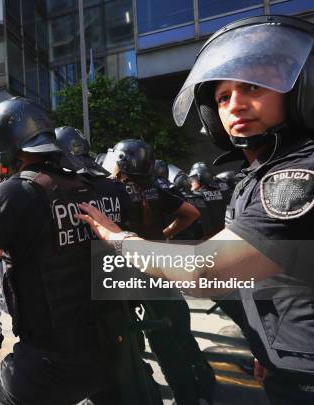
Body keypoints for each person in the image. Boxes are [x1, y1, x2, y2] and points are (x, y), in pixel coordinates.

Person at [77, 15, 314, 404]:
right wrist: (269, 348)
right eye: (222, 97)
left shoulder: (307, 172)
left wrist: (119, 240)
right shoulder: (267, 168)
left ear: (305, 86)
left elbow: (205, 271)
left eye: (254, 85)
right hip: (298, 363)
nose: (236, 104)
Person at [0, 97, 161, 404]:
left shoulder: (12, 194)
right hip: (111, 345)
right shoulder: (92, 186)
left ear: (3, 146)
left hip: (51, 360)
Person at [107, 139, 215, 405]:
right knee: (178, 330)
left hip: (134, 274)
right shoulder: (155, 188)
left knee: (157, 343)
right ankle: (204, 383)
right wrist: (165, 235)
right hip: (162, 269)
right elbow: (191, 213)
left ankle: (185, 397)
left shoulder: (112, 191)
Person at [188, 161, 231, 238]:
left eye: (193, 178)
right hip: (225, 233)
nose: (191, 182)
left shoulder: (197, 196)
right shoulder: (223, 192)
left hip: (208, 238)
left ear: (200, 178)